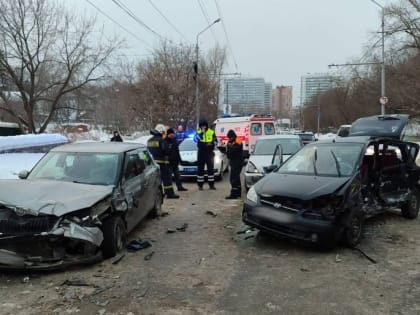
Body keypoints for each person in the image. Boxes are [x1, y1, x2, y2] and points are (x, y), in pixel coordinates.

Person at [147, 124, 179, 199]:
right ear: (161, 132)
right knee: (166, 179)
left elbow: (147, 152)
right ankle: (170, 194)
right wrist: (170, 149)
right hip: (162, 163)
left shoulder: (149, 141)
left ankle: (157, 195)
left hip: (153, 164)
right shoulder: (161, 140)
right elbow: (166, 151)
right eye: (163, 133)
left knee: (156, 180)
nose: (164, 134)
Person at [194, 119, 217, 190]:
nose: (203, 127)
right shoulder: (198, 132)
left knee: (210, 169)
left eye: (204, 126)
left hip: (209, 153)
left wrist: (212, 143)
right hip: (201, 153)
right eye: (201, 126)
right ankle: (200, 185)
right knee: (200, 170)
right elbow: (195, 140)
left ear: (206, 126)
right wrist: (201, 133)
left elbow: (216, 141)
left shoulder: (211, 132)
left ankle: (211, 185)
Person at [225, 129, 243, 199]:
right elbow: (228, 152)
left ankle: (234, 194)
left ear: (233, 136)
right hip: (233, 161)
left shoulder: (238, 140)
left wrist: (230, 147)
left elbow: (236, 149)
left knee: (233, 178)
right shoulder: (229, 142)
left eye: (230, 137)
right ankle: (238, 193)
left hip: (238, 162)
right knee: (236, 178)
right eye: (229, 138)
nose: (229, 139)